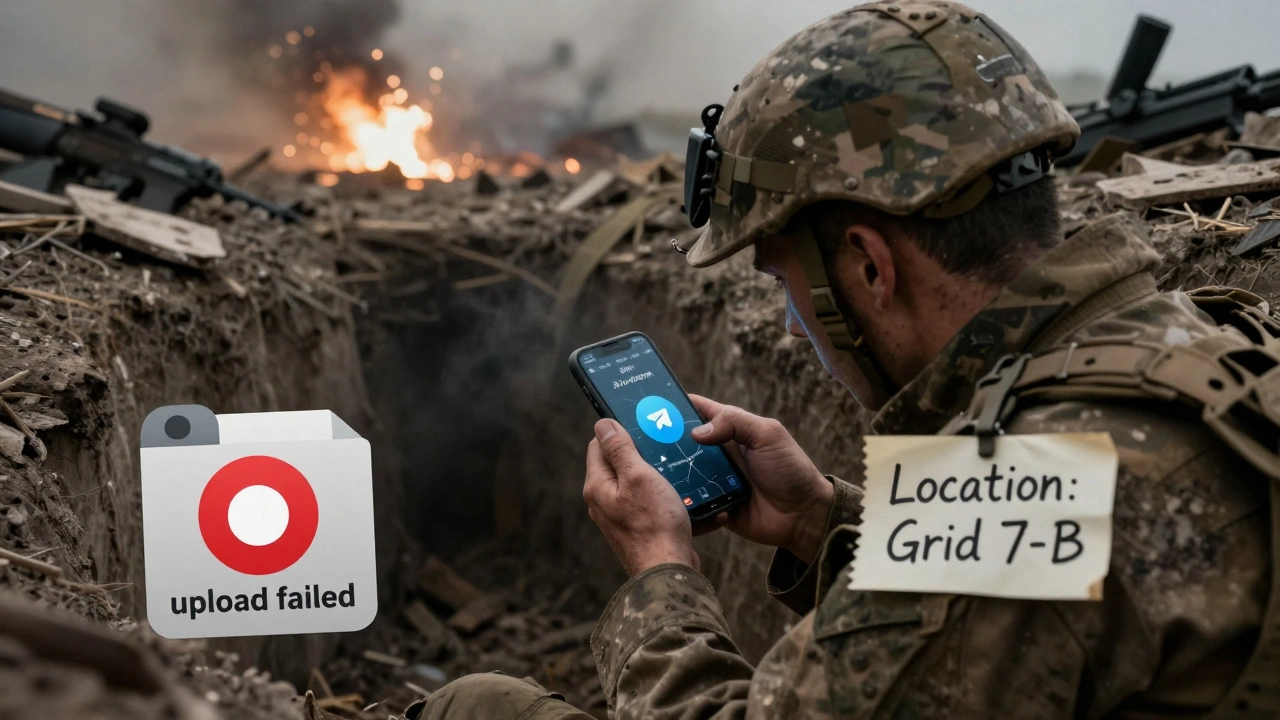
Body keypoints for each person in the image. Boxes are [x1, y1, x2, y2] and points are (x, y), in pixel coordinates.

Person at [409, 1, 1277, 718]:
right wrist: (820, 520)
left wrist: (660, 574)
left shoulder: (1023, 487)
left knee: (476, 706)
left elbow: (1000, 567)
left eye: (787, 282)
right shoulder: (1207, 346)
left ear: (869, 265)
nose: (793, 327)